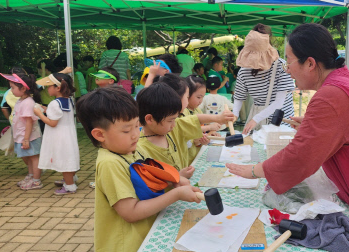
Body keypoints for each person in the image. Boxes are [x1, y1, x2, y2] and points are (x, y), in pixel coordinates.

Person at [226, 23, 349, 252]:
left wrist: (255, 170)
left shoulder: (330, 96)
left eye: (289, 61)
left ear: (310, 63)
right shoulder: (345, 79)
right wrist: (321, 126)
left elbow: (300, 157)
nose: (287, 69)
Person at [76, 86, 201, 252]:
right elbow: (131, 212)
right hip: (127, 244)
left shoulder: (133, 149)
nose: (136, 134)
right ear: (99, 135)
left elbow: (151, 179)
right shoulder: (110, 163)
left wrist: (174, 180)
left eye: (137, 126)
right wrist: (176, 194)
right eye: (127, 130)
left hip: (145, 235)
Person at [233, 24, 296, 134]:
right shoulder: (244, 71)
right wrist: (233, 116)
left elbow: (279, 103)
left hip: (281, 124)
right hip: (258, 123)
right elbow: (239, 97)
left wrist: (255, 120)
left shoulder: (282, 67)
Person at [34, 73, 80, 195]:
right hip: (68, 134)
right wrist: (45, 109)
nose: (47, 89)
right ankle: (70, 178)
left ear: (58, 88)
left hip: (59, 136)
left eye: (49, 86)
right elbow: (59, 113)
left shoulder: (55, 103)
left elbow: (52, 122)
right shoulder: (68, 100)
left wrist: (39, 114)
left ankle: (70, 186)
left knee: (64, 160)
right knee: (69, 157)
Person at [0, 72, 43, 190]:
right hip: (23, 136)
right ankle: (31, 176)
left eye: (13, 88)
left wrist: (26, 139)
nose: (11, 90)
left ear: (23, 88)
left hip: (30, 137)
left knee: (34, 157)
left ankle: (36, 181)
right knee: (28, 157)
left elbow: (29, 122)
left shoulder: (28, 102)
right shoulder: (20, 100)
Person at [184, 75, 220, 163]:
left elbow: (201, 130)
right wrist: (209, 128)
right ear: (187, 95)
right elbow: (188, 130)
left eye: (203, 97)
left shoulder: (197, 109)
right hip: (187, 158)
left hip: (196, 154)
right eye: (198, 97)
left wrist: (209, 133)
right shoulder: (183, 112)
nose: (201, 101)